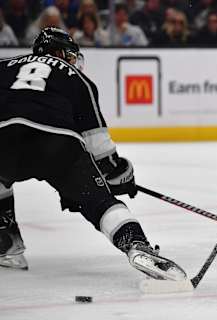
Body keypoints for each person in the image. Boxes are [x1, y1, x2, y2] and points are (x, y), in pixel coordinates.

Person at [0, 27, 186, 282]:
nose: (74, 61)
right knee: (98, 202)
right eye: (71, 55)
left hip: (3, 138)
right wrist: (118, 173)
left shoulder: (4, 65)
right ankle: (136, 244)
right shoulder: (76, 77)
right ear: (57, 52)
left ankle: (7, 245)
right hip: (57, 143)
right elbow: (97, 142)